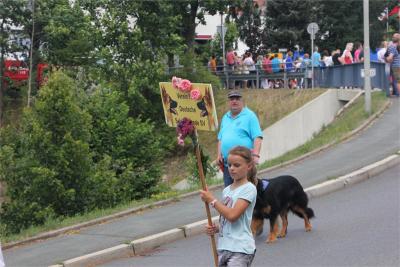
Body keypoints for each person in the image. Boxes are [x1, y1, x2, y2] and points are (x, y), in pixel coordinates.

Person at [200, 146, 257, 267]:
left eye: (237, 165)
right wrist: (216, 229)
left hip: (240, 249)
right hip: (223, 247)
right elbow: (227, 220)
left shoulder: (249, 189)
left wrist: (212, 200)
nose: (231, 168)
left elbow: (232, 215)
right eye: (229, 164)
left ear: (249, 166)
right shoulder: (226, 190)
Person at [217, 91, 263, 187]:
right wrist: (219, 155)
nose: (234, 101)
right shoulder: (225, 117)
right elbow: (221, 138)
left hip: (244, 164)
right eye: (232, 99)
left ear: (242, 101)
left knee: (246, 192)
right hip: (228, 165)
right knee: (229, 193)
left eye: (237, 99)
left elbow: (257, 137)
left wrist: (256, 155)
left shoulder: (250, 116)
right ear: (228, 102)